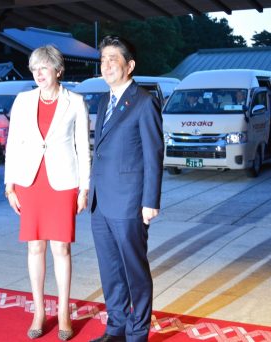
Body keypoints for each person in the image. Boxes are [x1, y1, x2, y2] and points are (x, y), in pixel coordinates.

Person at [4, 45, 90, 341]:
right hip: (30, 182)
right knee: (34, 247)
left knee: (61, 249)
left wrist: (84, 188)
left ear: (58, 69)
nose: (38, 73)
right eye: (34, 69)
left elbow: (83, 149)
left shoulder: (75, 102)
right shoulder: (23, 100)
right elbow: (13, 144)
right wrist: (9, 184)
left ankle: (64, 312)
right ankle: (39, 311)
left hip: (64, 182)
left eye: (43, 68)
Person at [88, 36, 164, 342]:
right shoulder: (104, 100)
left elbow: (154, 154)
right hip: (100, 202)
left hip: (130, 203)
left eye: (113, 59)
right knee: (110, 271)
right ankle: (116, 328)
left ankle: (137, 333)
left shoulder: (144, 102)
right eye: (103, 59)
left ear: (129, 66)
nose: (106, 65)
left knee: (134, 272)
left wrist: (150, 201)